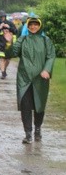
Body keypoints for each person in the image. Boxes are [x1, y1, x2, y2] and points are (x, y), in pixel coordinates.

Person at [4, 15, 55, 144]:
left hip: (40, 79)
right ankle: (28, 134)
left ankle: (37, 128)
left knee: (39, 105)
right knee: (25, 106)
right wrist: (9, 43)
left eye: (35, 24)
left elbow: (50, 56)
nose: (33, 27)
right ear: (28, 26)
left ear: (40, 26)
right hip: (24, 78)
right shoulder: (23, 39)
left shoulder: (46, 41)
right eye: (31, 24)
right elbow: (11, 54)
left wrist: (47, 70)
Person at [0, 10, 17, 79]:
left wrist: (9, 28)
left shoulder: (10, 23)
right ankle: (3, 73)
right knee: (1, 58)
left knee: (7, 59)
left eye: (4, 17)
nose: (2, 18)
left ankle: (3, 69)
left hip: (8, 45)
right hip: (0, 44)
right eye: (1, 17)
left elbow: (16, 31)